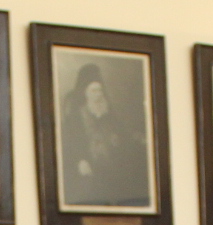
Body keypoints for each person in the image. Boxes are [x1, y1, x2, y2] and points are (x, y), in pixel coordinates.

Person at [58, 61, 147, 208]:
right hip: (89, 167)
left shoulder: (108, 112)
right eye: (94, 91)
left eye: (100, 90)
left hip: (113, 166)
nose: (98, 95)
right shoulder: (75, 117)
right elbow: (70, 144)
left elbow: (124, 133)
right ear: (85, 92)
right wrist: (80, 160)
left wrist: (140, 138)